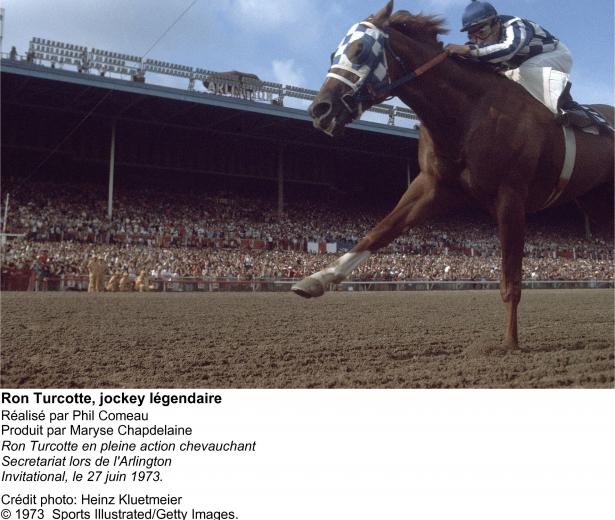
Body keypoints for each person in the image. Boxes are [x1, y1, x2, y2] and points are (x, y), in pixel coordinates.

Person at [446, 1, 590, 127]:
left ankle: (571, 108)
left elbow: (509, 49)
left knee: (524, 71)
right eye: (472, 36)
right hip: (524, 64)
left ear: (496, 23)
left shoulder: (515, 25)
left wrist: (469, 51)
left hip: (556, 54)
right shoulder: (481, 41)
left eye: (482, 32)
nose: (478, 41)